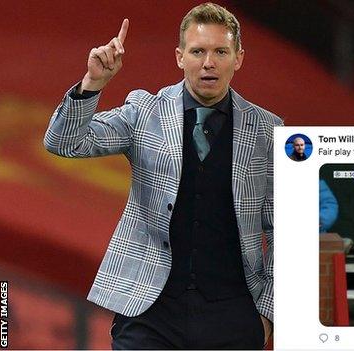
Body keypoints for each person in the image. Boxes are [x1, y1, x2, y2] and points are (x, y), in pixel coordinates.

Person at [43, 3, 280, 349]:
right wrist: (93, 84)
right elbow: (64, 142)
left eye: (220, 52)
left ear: (239, 58)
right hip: (149, 313)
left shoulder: (268, 130)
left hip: (233, 315)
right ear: (180, 57)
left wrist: (267, 313)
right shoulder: (144, 112)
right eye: (198, 51)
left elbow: (284, 230)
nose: (208, 63)